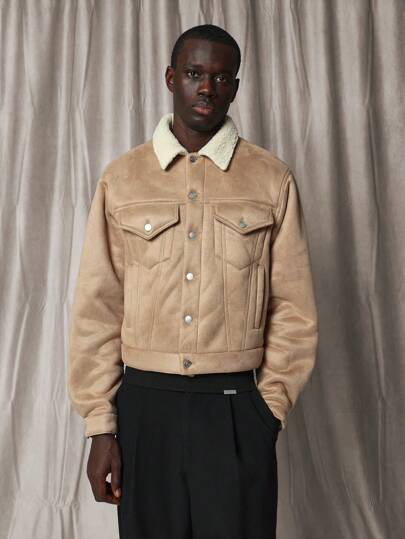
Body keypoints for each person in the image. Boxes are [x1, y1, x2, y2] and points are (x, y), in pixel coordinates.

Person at [68, 23, 318, 539]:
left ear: (235, 86)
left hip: (234, 410)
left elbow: (294, 309)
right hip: (144, 409)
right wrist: (100, 425)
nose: (207, 88)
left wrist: (266, 412)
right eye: (194, 73)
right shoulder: (123, 179)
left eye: (221, 77)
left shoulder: (271, 179)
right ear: (170, 78)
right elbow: (98, 306)